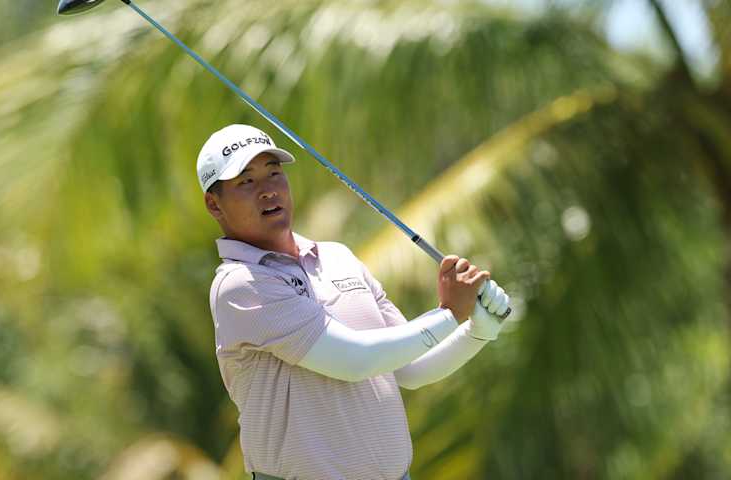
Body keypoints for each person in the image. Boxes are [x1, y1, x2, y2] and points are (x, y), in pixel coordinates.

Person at [199, 124, 510, 480]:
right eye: (246, 182)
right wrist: (451, 313)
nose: (268, 190)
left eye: (274, 173)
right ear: (214, 204)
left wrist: (476, 331)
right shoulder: (241, 285)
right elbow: (356, 360)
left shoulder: (338, 257)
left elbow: (411, 368)